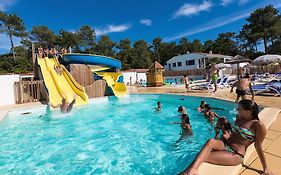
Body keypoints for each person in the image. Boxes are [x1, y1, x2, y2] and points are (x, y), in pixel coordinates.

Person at [179, 100, 274, 175]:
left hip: (236, 154)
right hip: (225, 144)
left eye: (239, 109)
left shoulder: (258, 125)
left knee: (202, 157)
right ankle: (191, 170)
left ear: (248, 111)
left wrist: (265, 168)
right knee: (210, 142)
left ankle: (186, 172)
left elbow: (258, 146)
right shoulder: (239, 118)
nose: (237, 110)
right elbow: (232, 132)